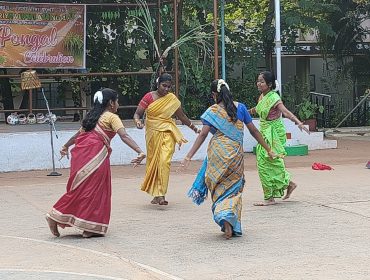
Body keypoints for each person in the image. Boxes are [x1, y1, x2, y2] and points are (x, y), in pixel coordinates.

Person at [180, 79, 275, 239]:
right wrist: (268, 149)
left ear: (214, 95)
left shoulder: (212, 111)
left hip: (217, 153)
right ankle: (229, 217)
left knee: (218, 188)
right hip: (235, 155)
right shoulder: (242, 108)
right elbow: (254, 131)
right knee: (233, 189)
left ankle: (224, 219)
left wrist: (189, 155)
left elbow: (203, 134)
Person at [46, 88, 146, 238]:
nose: (118, 104)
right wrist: (140, 151)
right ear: (111, 103)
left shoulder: (91, 116)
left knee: (81, 190)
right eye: (117, 101)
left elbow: (77, 135)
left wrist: (66, 146)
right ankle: (61, 217)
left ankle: (83, 225)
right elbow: (124, 136)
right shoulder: (112, 117)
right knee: (95, 191)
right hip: (96, 158)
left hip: (82, 157)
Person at [133, 73, 200, 206]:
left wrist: (194, 128)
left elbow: (182, 116)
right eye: (164, 86)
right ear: (158, 84)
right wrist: (137, 121)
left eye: (169, 87)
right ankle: (156, 194)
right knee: (154, 163)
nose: (166, 89)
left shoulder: (172, 99)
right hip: (152, 134)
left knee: (164, 161)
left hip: (168, 132)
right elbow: (137, 113)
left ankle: (161, 194)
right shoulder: (149, 97)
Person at [249, 71, 310, 206]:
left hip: (274, 133)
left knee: (272, 162)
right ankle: (287, 185)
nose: (258, 83)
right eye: (258, 80)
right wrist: (244, 112)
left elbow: (285, 112)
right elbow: (257, 109)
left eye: (262, 81)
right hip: (264, 131)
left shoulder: (274, 97)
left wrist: (298, 122)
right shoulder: (262, 97)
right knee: (264, 164)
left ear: (269, 84)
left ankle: (272, 196)